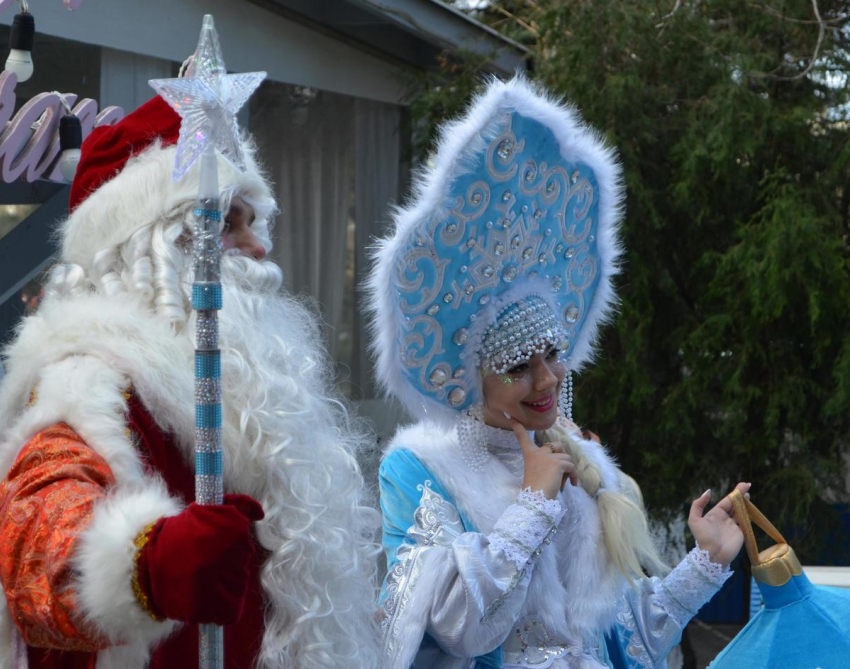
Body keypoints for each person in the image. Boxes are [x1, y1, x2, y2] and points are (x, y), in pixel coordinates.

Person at [367, 76, 749, 669]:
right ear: (475, 377)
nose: (545, 380)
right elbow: (456, 627)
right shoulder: (420, 469)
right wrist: (533, 502)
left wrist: (706, 562)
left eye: (551, 354)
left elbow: (620, 641)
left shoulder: (586, 465)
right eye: (518, 366)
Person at [0, 94, 380, 668]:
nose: (261, 247)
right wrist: (145, 567)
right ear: (152, 247)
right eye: (227, 222)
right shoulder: (90, 380)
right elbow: (34, 539)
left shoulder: (246, 398)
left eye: (256, 222)